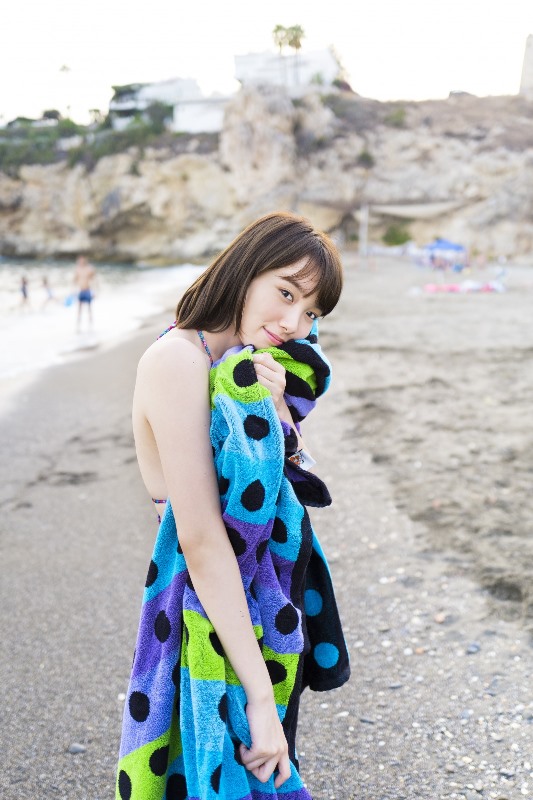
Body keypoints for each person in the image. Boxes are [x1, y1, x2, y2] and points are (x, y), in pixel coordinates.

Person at [116, 212, 350, 800]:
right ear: (245, 269)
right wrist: (260, 696)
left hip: (263, 595)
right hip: (207, 607)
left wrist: (279, 408)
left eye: (312, 312)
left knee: (260, 767)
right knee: (226, 770)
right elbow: (199, 539)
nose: (294, 324)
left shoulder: (245, 365)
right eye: (286, 293)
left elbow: (295, 477)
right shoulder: (178, 361)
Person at [73, 255, 96, 330]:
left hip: (88, 290)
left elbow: (93, 279)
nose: (81, 262)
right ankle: (78, 324)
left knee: (89, 307)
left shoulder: (89, 269)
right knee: (79, 308)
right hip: (81, 290)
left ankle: (91, 324)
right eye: (79, 261)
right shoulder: (77, 269)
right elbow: (75, 280)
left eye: (82, 260)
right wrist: (73, 291)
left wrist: (94, 292)